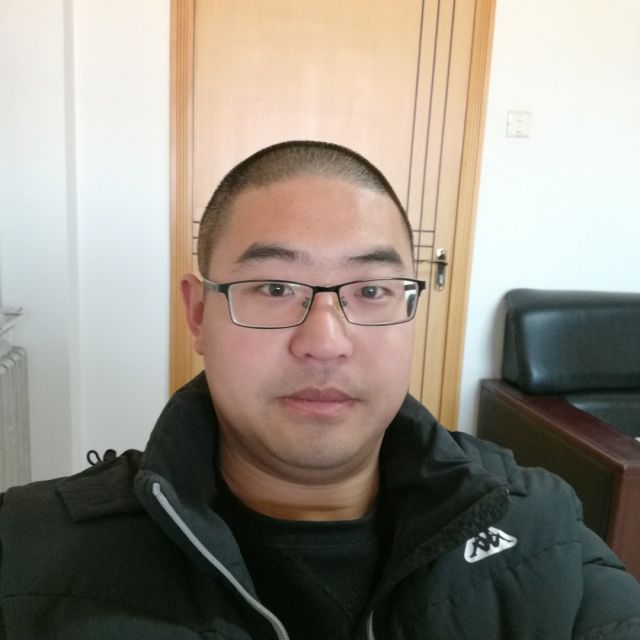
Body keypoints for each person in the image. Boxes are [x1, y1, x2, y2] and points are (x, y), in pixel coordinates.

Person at [1, 141, 639, 639]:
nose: (326, 341)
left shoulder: (539, 528)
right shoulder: (29, 553)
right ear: (198, 315)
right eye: (276, 288)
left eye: (372, 290)